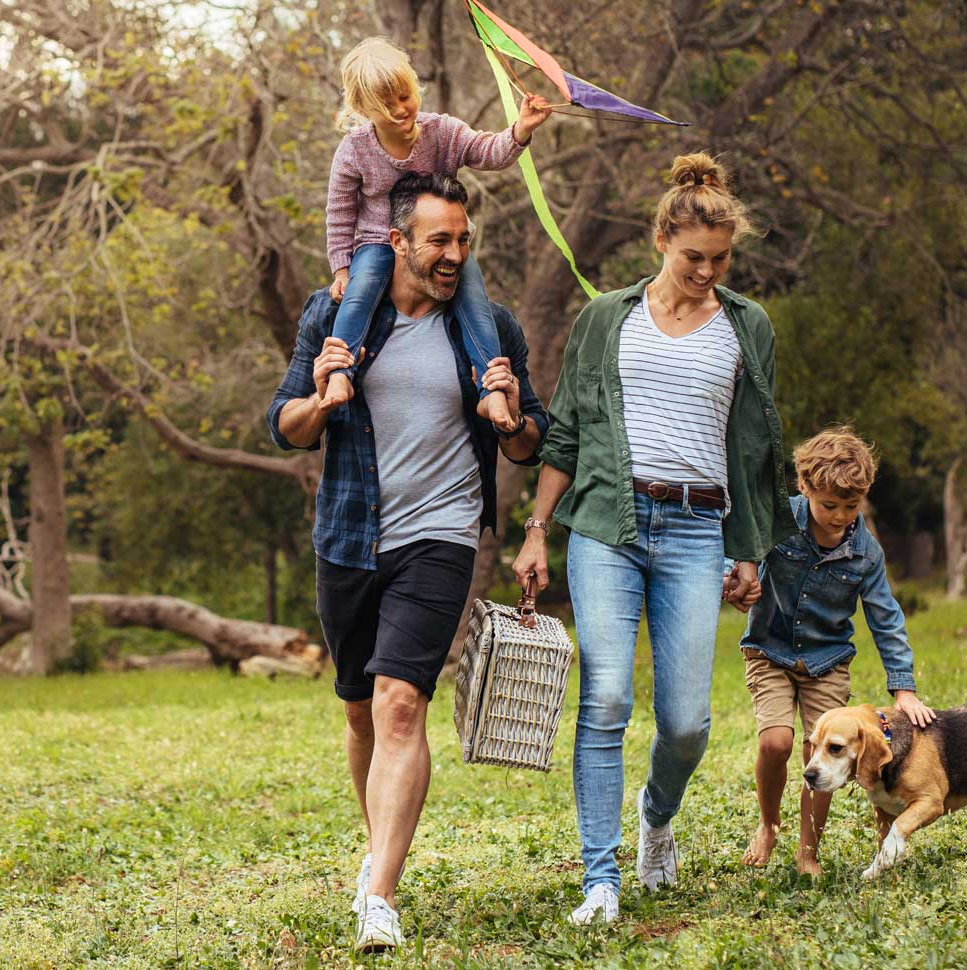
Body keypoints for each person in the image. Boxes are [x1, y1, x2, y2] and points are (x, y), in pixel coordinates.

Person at [510, 152, 797, 925]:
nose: (707, 271)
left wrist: (751, 547)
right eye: (692, 257)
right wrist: (538, 531)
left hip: (698, 528)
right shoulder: (607, 317)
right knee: (604, 697)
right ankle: (598, 879)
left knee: (685, 723)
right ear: (661, 241)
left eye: (720, 259)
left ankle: (656, 814)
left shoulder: (747, 327)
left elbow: (758, 446)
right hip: (608, 523)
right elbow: (564, 433)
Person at [268, 171, 549, 952]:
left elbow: (532, 438)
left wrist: (513, 412)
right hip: (351, 537)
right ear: (397, 241)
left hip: (443, 536)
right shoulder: (335, 315)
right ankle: (376, 852)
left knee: (400, 704)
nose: (455, 252)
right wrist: (322, 403)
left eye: (464, 239)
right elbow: (283, 423)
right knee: (360, 707)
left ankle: (380, 898)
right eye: (439, 240)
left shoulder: (487, 327)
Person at [320, 36, 554, 427]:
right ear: (363, 109)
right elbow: (340, 211)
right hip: (379, 241)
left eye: (404, 96)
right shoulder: (355, 149)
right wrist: (341, 268)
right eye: (385, 105)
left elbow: (487, 152)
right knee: (359, 295)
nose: (399, 110)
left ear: (414, 88)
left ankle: (492, 390)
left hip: (438, 242)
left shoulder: (441, 131)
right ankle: (341, 374)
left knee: (475, 299)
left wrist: (521, 129)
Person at [739, 426, 935, 875]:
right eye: (829, 505)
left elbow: (886, 618)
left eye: (852, 506)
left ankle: (808, 852)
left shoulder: (866, 552)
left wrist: (903, 689)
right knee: (776, 742)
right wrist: (735, 583)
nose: (841, 516)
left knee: (823, 752)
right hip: (770, 651)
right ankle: (769, 824)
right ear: (805, 488)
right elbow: (739, 558)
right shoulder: (777, 521)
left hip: (827, 663)